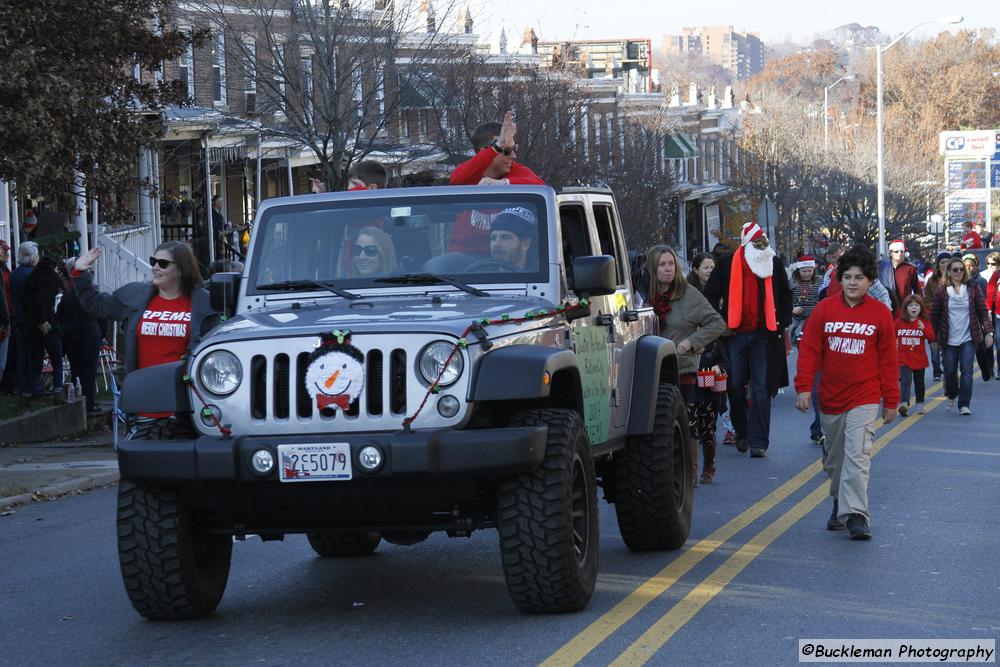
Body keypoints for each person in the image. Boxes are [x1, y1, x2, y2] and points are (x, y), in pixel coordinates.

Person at [795, 244, 898, 541]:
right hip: (830, 398)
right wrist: (803, 388)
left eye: (860, 277)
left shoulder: (880, 314)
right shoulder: (825, 310)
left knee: (858, 455)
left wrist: (891, 400)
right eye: (848, 277)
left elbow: (889, 361)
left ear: (869, 281)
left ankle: (856, 515)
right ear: (840, 279)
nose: (853, 282)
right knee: (836, 460)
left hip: (864, 396)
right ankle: (841, 500)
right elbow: (810, 352)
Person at [71, 242, 219, 433]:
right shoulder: (138, 297)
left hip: (187, 408)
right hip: (145, 407)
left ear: (181, 269)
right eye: (153, 261)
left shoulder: (203, 304)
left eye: (163, 263)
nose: (155, 267)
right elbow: (97, 304)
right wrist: (79, 273)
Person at [703, 220, 793, 458]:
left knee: (761, 388)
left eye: (763, 242)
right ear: (745, 243)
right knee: (734, 386)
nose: (761, 246)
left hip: (764, 334)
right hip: (735, 335)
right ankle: (741, 432)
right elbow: (709, 296)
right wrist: (721, 324)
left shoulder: (772, 262)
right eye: (756, 243)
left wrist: (779, 323)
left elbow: (786, 296)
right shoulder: (725, 265)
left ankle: (758, 442)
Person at [644, 246, 725, 484]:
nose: (668, 269)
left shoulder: (688, 294)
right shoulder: (641, 296)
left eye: (671, 264)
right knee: (657, 426)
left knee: (682, 421)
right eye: (662, 264)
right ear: (652, 268)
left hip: (682, 367)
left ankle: (688, 474)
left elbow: (716, 323)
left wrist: (692, 342)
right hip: (650, 368)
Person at [448, 111, 544, 255]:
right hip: (465, 263)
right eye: (507, 150)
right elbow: (456, 178)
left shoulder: (514, 171)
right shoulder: (469, 175)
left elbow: (540, 187)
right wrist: (497, 147)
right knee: (436, 266)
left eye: (513, 149)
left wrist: (504, 184)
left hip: (506, 260)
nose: (513, 155)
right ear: (485, 152)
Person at [929, 257, 993, 415]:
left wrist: (988, 332)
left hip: (968, 338)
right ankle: (951, 394)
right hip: (948, 338)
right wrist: (933, 338)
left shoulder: (972, 287)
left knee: (967, 371)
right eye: (955, 269)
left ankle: (964, 404)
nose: (958, 272)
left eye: (961, 269)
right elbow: (935, 315)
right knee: (950, 371)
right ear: (948, 272)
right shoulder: (942, 289)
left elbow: (982, 311)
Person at [57, 258, 103, 415]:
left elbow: (60, 316)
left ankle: (79, 401)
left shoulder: (67, 294)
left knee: (76, 370)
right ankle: (89, 403)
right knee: (89, 371)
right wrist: (102, 333)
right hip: (90, 335)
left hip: (71, 336)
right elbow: (101, 313)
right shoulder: (90, 292)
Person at [24, 256, 66, 404]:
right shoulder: (49, 282)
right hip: (48, 325)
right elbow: (43, 300)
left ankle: (33, 391)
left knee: (35, 361)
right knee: (57, 360)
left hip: (32, 326)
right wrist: (44, 320)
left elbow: (31, 303)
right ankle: (58, 390)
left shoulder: (31, 281)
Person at [895, 294, 935, 417]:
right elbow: (891, 337)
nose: (914, 308)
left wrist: (924, 329)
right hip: (903, 358)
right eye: (911, 305)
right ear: (906, 308)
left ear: (920, 308)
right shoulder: (899, 322)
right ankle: (903, 404)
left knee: (919, 383)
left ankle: (920, 404)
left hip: (919, 358)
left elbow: (932, 337)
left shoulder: (924, 322)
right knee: (905, 381)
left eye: (916, 305)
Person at [11, 241, 40, 400]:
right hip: (32, 318)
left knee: (23, 354)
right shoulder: (33, 275)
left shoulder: (14, 274)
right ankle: (35, 386)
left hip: (19, 317)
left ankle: (24, 387)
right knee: (35, 353)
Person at [962, 253, 993, 380]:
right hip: (964, 320)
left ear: (976, 267)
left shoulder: (981, 281)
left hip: (978, 317)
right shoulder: (959, 281)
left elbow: (984, 301)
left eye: (972, 265)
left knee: (983, 347)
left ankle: (987, 369)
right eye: (966, 266)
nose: (969, 268)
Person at [924, 251, 952, 380]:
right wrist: (935, 308)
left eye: (948, 262)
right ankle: (936, 371)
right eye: (942, 262)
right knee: (934, 346)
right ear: (938, 264)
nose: (945, 265)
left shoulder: (956, 278)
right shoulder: (931, 280)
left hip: (951, 319)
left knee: (947, 347)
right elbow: (927, 299)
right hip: (934, 318)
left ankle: (948, 368)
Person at [878, 239, 920, 313]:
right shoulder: (881, 268)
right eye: (896, 252)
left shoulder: (910, 269)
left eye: (902, 252)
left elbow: (917, 290)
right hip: (885, 307)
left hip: (904, 309)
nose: (899, 254)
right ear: (890, 253)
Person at [789, 255, 820, 344]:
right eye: (804, 271)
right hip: (798, 319)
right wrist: (792, 309)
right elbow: (786, 299)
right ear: (798, 271)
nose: (807, 273)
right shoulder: (792, 282)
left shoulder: (819, 282)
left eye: (810, 271)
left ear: (814, 270)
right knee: (799, 341)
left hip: (814, 319)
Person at [0, 240, 12, 391]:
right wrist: (6, 322)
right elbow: (1, 297)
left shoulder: (6, 270)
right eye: (4, 252)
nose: (7, 255)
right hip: (3, 317)